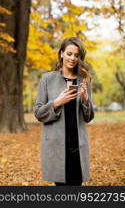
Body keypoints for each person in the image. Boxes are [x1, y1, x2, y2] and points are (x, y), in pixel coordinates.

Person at [33, 37, 94, 186]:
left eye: (76, 55)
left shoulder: (83, 81)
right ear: (61, 54)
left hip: (78, 147)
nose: (73, 58)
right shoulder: (47, 79)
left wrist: (86, 100)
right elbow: (38, 113)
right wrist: (56, 102)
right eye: (69, 53)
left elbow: (89, 117)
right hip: (57, 146)